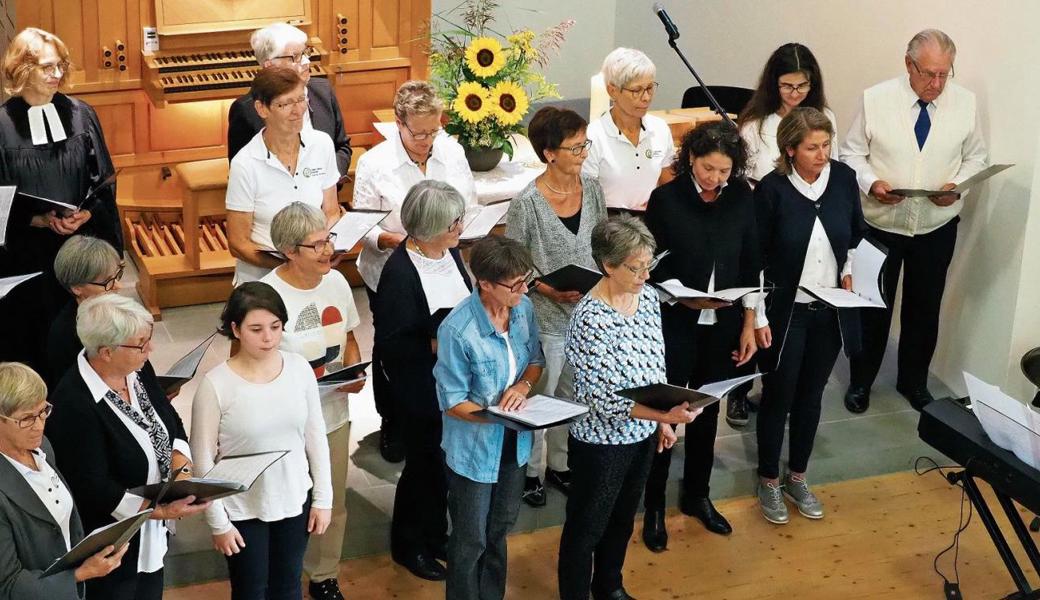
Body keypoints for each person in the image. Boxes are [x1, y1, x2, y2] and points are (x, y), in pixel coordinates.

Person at [840, 29, 988, 413]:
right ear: (908, 65)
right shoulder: (876, 100)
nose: (936, 84)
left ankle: (914, 382)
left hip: (936, 227)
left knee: (924, 309)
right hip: (879, 224)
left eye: (944, 74)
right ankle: (860, 382)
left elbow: (977, 159)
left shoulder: (966, 104)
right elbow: (851, 154)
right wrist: (872, 184)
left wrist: (957, 186)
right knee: (873, 308)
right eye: (928, 74)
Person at [557, 216, 702, 600]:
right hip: (600, 442)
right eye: (634, 268)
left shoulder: (649, 298)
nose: (643, 275)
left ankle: (609, 587)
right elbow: (601, 399)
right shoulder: (590, 317)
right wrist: (664, 416)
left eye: (648, 266)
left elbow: (656, 366)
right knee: (586, 528)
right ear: (608, 265)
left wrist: (662, 423)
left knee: (622, 519)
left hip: (641, 434)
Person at [641, 121, 760, 549]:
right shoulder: (666, 199)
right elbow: (650, 264)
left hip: (724, 322)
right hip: (675, 320)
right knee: (668, 411)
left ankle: (697, 495)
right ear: (691, 157)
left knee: (708, 411)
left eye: (724, 171)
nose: (715, 179)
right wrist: (681, 298)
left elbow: (751, 262)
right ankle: (653, 504)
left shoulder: (743, 198)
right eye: (709, 168)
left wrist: (749, 321)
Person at [46, 294, 209, 600]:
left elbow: (170, 421)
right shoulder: (74, 405)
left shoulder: (137, 371)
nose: (151, 349)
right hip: (112, 549)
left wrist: (182, 471)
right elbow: (93, 488)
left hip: (152, 536)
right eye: (140, 343)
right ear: (106, 352)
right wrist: (160, 510)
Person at [354, 80, 476, 463]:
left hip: (443, 260)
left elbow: (468, 202)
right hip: (394, 268)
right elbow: (363, 224)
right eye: (418, 132)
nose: (426, 140)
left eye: (433, 131)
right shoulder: (376, 163)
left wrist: (456, 231)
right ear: (398, 123)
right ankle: (392, 419)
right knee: (397, 345)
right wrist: (398, 240)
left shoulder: (451, 152)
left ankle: (443, 407)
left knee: (448, 336)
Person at [754, 107, 864, 525]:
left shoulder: (844, 180)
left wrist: (850, 272)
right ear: (790, 150)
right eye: (813, 148)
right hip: (787, 313)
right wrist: (757, 314)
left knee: (811, 397)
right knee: (778, 396)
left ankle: (797, 475)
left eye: (826, 145)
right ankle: (767, 479)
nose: (823, 155)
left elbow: (854, 236)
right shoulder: (772, 190)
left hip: (830, 311)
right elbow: (758, 258)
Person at [190, 282, 333, 599]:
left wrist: (323, 498)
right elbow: (202, 461)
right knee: (250, 591)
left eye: (275, 327)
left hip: (294, 499)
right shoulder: (216, 385)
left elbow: (315, 436)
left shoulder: (298, 369)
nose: (268, 338)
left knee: (288, 587)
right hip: (241, 509)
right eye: (256, 329)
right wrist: (218, 523)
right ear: (235, 329)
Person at [0, 28, 122, 373]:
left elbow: (103, 180)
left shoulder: (81, 115)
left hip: (82, 244)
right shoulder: (2, 127)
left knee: (87, 337)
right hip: (30, 254)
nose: (57, 75)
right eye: (46, 67)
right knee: (39, 338)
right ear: (21, 70)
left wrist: (86, 215)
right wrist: (38, 220)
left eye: (60, 66)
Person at [259, 203, 363, 600]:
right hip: (284, 424)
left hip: (332, 414)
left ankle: (324, 576)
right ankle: (278, 575)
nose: (327, 250)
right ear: (288, 251)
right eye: (316, 245)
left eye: (328, 240)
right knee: (285, 504)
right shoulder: (267, 293)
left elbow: (349, 335)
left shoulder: (336, 281)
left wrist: (354, 372)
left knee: (331, 500)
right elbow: (250, 360)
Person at [506, 106, 606, 507]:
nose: (583, 152)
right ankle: (529, 472)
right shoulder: (527, 203)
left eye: (585, 144)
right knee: (540, 395)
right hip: (545, 315)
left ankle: (560, 465)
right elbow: (513, 262)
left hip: (586, 313)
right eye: (575, 146)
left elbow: (601, 242)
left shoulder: (594, 189)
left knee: (573, 394)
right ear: (549, 153)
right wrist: (547, 289)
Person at [433, 235, 544, 600]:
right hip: (475, 448)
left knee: (499, 529)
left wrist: (524, 389)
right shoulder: (457, 329)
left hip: (515, 442)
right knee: (470, 539)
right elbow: (452, 402)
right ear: (483, 283)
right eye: (514, 284)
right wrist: (498, 416)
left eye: (525, 279)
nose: (523, 289)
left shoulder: (523, 309)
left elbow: (535, 361)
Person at [373, 181, 472, 581]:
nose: (461, 227)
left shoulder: (450, 253)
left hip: (450, 376)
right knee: (423, 465)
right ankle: (408, 544)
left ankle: (436, 534)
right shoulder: (400, 272)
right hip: (416, 384)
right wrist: (440, 340)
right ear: (429, 227)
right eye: (454, 222)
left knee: (442, 464)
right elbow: (393, 343)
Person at [0, 361, 127, 599]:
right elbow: (7, 585)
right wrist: (80, 574)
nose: (39, 426)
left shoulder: (43, 447)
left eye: (43, 411)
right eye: (26, 418)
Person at [225, 65, 342, 284]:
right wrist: (291, 265)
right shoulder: (245, 164)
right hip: (263, 279)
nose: (298, 111)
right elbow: (238, 244)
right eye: (286, 104)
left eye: (301, 100)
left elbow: (331, 211)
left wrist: (325, 248)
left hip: (313, 274)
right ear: (262, 109)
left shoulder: (322, 144)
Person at [227, 23, 352, 180]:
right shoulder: (246, 110)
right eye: (296, 57)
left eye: (306, 52)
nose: (307, 62)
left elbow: (342, 147)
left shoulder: (324, 91)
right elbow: (242, 173)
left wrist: (329, 180)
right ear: (269, 65)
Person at [582, 47, 675, 212]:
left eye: (650, 88)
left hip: (650, 224)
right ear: (613, 90)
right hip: (610, 227)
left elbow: (669, 185)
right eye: (636, 90)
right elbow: (586, 201)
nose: (646, 97)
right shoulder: (593, 136)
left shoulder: (659, 129)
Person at [739, 43, 837, 182]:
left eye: (802, 86)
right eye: (787, 86)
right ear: (774, 84)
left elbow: (831, 166)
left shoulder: (825, 116)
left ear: (813, 83)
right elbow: (742, 177)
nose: (795, 94)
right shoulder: (754, 123)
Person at [46, 235, 126, 387]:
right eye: (107, 282)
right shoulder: (65, 335)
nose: (118, 286)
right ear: (77, 287)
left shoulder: (112, 308)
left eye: (117, 276)